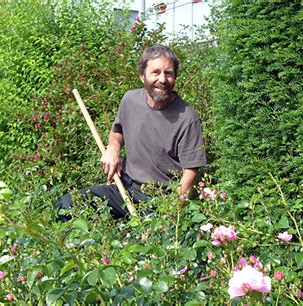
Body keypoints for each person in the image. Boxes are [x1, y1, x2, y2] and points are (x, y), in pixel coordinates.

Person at [55, 44, 207, 221]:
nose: (163, 79)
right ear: (142, 76)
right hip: (124, 188)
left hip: (160, 198)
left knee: (151, 242)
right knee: (66, 206)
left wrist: (167, 217)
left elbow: (190, 175)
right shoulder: (130, 100)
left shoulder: (187, 118)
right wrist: (113, 147)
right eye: (155, 72)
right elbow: (117, 132)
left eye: (169, 73)